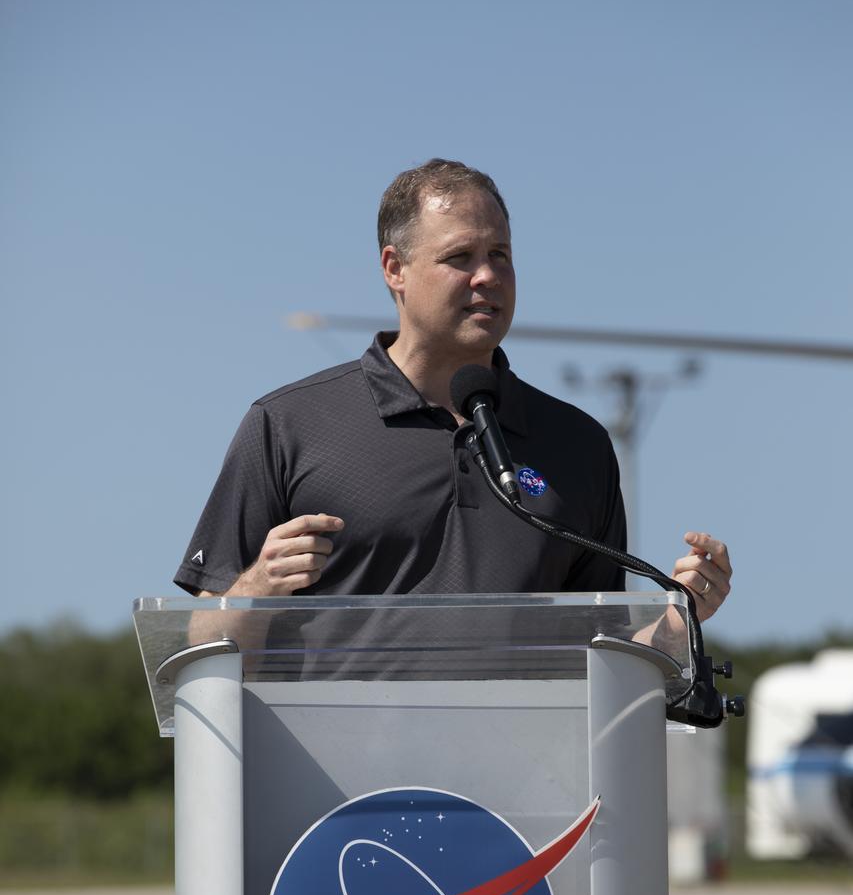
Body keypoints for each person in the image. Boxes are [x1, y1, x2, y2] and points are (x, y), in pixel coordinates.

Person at [175, 159, 731, 618]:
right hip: (327, 752)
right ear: (395, 268)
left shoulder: (579, 445)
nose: (487, 276)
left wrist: (680, 621)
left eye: (501, 256)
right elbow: (200, 638)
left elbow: (597, 653)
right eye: (460, 258)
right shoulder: (288, 424)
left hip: (526, 753)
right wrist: (254, 592)